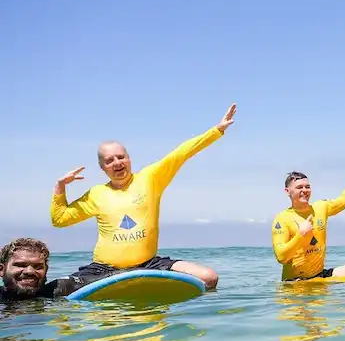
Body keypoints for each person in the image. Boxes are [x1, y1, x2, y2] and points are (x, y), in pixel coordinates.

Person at [50, 104, 237, 291]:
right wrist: (60, 187)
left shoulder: (150, 178)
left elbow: (180, 154)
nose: (117, 163)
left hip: (148, 264)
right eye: (109, 160)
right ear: (102, 167)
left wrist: (217, 130)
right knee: (56, 290)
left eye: (120, 157)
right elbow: (60, 219)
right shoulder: (96, 194)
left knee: (209, 277)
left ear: (129, 159)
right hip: (104, 269)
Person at [272, 153, 345, 281]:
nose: (304, 190)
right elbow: (281, 257)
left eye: (307, 187)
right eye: (299, 187)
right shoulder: (282, 219)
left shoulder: (321, 207)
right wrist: (300, 234)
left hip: (320, 275)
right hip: (295, 283)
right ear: (287, 191)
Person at [0, 238, 84, 301]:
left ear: (46, 269)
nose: (30, 271)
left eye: (38, 266)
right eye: (21, 265)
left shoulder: (59, 290)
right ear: (1, 270)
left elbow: (93, 273)